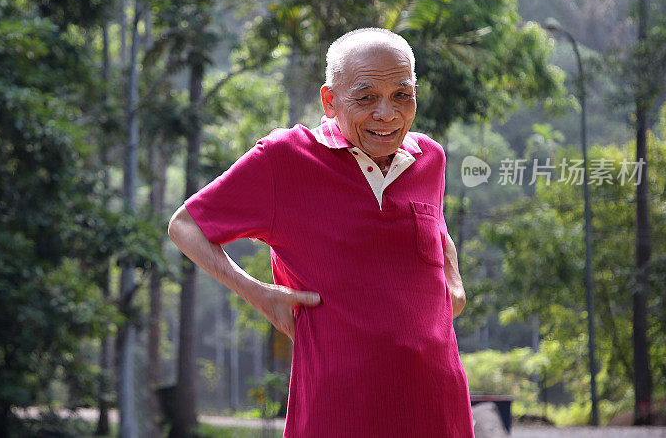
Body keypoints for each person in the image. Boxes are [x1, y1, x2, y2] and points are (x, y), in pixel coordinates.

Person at [168, 28, 474, 437]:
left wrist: (453, 276)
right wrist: (259, 294)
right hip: (338, 408)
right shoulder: (285, 159)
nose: (387, 114)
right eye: (365, 97)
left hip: (437, 402)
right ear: (330, 101)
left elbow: (434, 225)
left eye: (402, 95)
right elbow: (186, 225)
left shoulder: (428, 158)